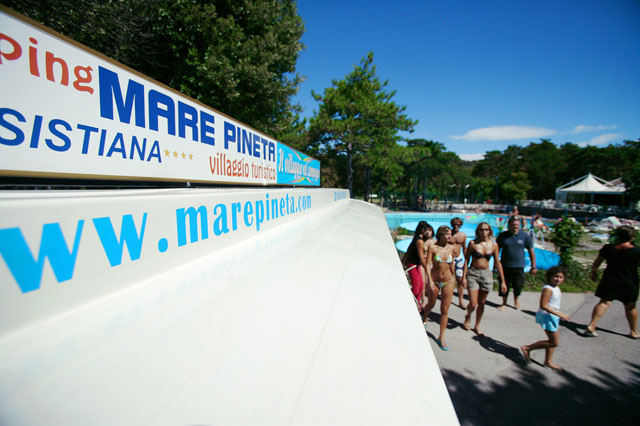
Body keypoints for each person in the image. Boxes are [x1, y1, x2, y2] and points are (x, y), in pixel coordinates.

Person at [585, 225, 640, 338]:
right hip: (629, 281)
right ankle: (634, 331)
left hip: (609, 279)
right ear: (631, 238)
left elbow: (597, 261)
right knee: (630, 306)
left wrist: (593, 272)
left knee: (604, 302)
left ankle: (592, 325)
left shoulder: (608, 248)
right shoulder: (636, 251)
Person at [519, 266, 570, 370]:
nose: (558, 279)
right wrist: (561, 314)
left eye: (561, 277)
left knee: (551, 340)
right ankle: (527, 348)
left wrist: (558, 315)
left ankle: (548, 361)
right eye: (556, 276)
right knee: (554, 342)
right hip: (547, 316)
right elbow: (543, 305)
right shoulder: (548, 289)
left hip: (552, 316)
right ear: (550, 276)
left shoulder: (555, 287)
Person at [462, 222, 506, 337]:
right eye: (481, 230)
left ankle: (477, 325)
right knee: (473, 303)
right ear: (478, 231)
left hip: (486, 274)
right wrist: (464, 277)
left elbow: (497, 263)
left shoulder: (494, 245)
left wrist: (503, 281)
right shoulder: (473, 244)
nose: (483, 232)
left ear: (489, 231)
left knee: (482, 302)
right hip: (473, 273)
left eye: (486, 230)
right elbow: (466, 260)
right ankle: (468, 316)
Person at [423, 226, 457, 351]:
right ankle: (425, 316)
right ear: (440, 235)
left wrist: (454, 277)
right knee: (431, 304)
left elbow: (452, 264)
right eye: (447, 234)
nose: (449, 236)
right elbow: (428, 265)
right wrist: (430, 281)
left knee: (445, 310)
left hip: (448, 281)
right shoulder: (433, 248)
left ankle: (441, 337)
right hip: (435, 281)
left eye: (450, 234)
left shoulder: (452, 248)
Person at [496, 216, 537, 310]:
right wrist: (496, 262)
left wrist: (533, 266)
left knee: (518, 285)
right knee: (504, 284)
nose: (515, 226)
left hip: (519, 266)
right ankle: (504, 303)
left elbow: (531, 251)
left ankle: (516, 300)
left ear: (519, 225)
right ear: (509, 225)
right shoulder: (503, 236)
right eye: (513, 224)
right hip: (505, 265)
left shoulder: (524, 236)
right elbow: (497, 249)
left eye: (517, 224)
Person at [401, 221, 431, 311]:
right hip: (413, 265)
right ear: (423, 230)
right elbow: (421, 259)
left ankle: (417, 305)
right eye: (427, 230)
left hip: (416, 265)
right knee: (416, 289)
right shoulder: (419, 241)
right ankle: (406, 301)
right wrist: (428, 270)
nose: (428, 232)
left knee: (420, 287)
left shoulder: (417, 239)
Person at [450, 217, 468, 309]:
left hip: (459, 259)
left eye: (458, 225)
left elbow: (464, 248)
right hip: (449, 259)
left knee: (460, 280)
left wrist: (467, 260)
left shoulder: (463, 235)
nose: (456, 226)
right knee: (449, 279)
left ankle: (461, 300)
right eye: (454, 224)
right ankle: (447, 297)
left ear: (461, 225)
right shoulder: (448, 234)